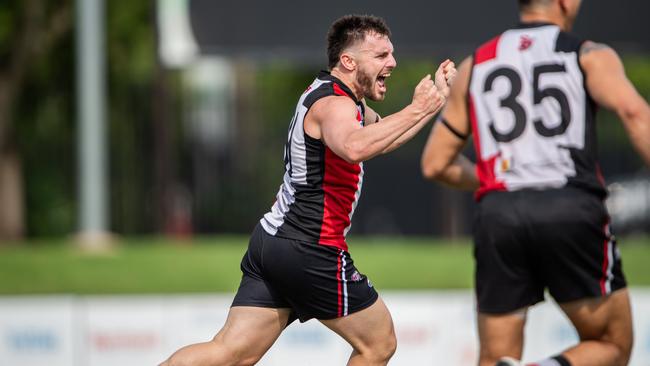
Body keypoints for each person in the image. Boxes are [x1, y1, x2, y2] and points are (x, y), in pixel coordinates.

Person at [160, 14, 456, 366]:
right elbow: (355, 147)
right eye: (380, 56)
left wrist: (433, 101)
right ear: (348, 61)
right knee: (378, 343)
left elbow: (383, 138)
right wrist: (416, 108)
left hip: (274, 241)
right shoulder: (334, 105)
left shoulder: (338, 98)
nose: (392, 62)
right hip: (311, 247)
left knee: (232, 353)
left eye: (391, 54)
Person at [420, 0, 650, 365]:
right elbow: (635, 112)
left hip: (500, 214)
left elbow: (435, 164)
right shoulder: (588, 55)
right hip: (569, 207)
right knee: (611, 344)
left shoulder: (475, 64)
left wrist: (503, 177)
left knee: (496, 358)